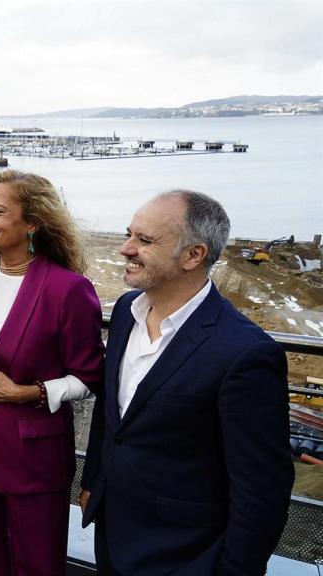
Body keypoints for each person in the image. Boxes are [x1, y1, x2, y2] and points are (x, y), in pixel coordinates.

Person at [80, 191, 293, 575]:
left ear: (193, 255)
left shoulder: (245, 353)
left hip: (184, 554)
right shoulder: (127, 312)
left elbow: (261, 490)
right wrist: (94, 480)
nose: (126, 248)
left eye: (144, 240)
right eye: (129, 234)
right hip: (113, 534)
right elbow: (111, 412)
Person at [0, 170, 105, 575]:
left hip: (32, 453)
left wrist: (28, 392)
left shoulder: (67, 289)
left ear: (32, 223)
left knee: (37, 562)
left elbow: (91, 377)